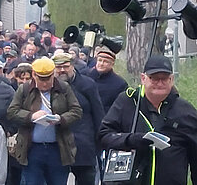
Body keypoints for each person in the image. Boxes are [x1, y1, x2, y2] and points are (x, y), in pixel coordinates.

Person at [99, 55, 197, 185]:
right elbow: (104, 135)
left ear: (172, 79)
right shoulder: (127, 102)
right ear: (143, 78)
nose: (160, 83)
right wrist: (131, 139)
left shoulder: (186, 110)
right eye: (154, 78)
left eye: (165, 79)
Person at [7, 57, 82, 185]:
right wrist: (31, 116)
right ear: (34, 75)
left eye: (48, 78)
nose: (45, 83)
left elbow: (77, 111)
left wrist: (61, 119)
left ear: (53, 75)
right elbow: (12, 112)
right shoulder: (24, 89)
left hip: (58, 148)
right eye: (41, 79)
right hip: (32, 149)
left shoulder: (63, 88)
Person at [53, 52, 104, 185]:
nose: (62, 70)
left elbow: (98, 114)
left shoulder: (88, 85)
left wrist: (100, 140)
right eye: (58, 67)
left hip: (84, 145)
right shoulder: (50, 87)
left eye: (65, 66)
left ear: (72, 66)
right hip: (58, 145)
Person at [86, 45, 128, 113]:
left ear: (112, 64)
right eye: (99, 60)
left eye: (105, 61)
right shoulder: (86, 76)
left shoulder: (120, 84)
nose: (101, 64)